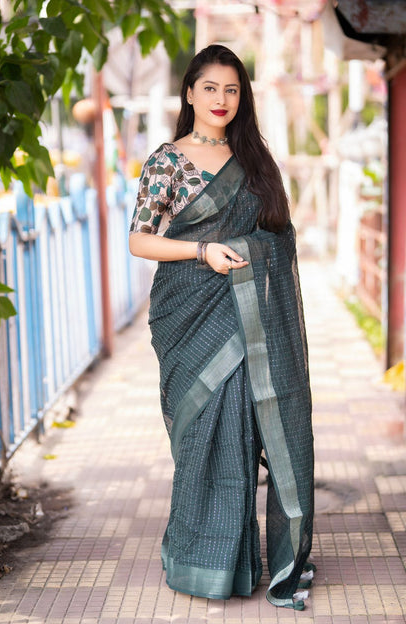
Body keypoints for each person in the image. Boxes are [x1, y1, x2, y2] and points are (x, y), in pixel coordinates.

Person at [129, 44, 314, 611]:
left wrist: (247, 250)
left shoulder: (254, 159)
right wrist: (205, 249)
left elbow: (279, 239)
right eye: (210, 88)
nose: (221, 100)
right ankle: (200, 559)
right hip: (189, 314)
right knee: (204, 436)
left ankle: (247, 561)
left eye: (231, 90)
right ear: (189, 93)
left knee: (242, 433)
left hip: (248, 316)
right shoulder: (167, 161)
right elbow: (140, 240)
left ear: (243, 97)